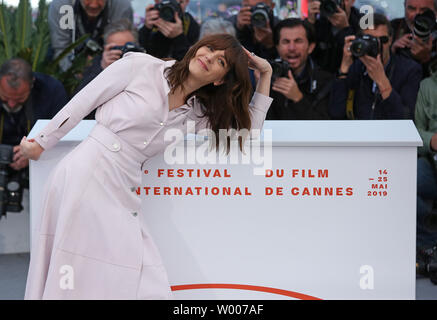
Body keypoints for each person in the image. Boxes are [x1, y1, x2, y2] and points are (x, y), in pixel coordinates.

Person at [20, 34, 273, 299]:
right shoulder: (140, 66)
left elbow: (249, 134)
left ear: (220, 78)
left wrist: (266, 74)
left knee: (144, 278)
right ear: (197, 48)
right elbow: (83, 102)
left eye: (220, 60)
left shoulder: (198, 112)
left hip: (124, 188)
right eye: (209, 48)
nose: (209, 57)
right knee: (73, 269)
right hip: (87, 172)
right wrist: (42, 143)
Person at [329, 13, 422, 120]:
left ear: (391, 40)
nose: (377, 46)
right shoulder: (356, 68)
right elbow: (336, 113)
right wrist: (344, 68)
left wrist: (382, 81)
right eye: (370, 40)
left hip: (391, 135)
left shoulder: (409, 70)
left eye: (382, 40)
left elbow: (406, 120)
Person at [0, 58, 68, 171]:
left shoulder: (51, 91)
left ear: (31, 85)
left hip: (41, 162)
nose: (11, 104)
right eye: (5, 98)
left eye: (19, 98)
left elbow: (63, 132)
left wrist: (37, 150)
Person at [73, 18, 143, 119]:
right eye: (116, 49)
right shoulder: (98, 65)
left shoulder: (146, 64)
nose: (121, 53)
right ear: (105, 48)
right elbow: (79, 105)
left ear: (137, 47)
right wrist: (103, 69)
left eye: (127, 48)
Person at [267, 18, 333, 120]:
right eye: (286, 42)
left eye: (298, 41)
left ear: (310, 47)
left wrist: (298, 98)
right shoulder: (267, 77)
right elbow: (259, 127)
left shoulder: (326, 81)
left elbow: (325, 129)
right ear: (277, 47)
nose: (292, 48)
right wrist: (261, 91)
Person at [48, 0, 133, 71]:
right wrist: (74, 74)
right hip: (72, 65)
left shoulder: (121, 5)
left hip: (109, 66)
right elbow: (61, 49)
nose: (94, 5)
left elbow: (122, 48)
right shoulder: (61, 5)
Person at [414, 72, 437, 256]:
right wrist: (432, 140)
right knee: (407, 178)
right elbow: (416, 133)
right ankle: (428, 246)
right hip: (433, 162)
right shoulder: (428, 85)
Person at [306, 0, 362, 74]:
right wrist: (310, 24)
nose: (336, 5)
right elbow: (306, 53)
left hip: (350, 77)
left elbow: (361, 54)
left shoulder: (363, 22)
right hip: (320, 77)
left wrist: (345, 29)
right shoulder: (318, 20)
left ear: (352, 1)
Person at [391, 0, 437, 78]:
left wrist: (426, 60)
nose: (416, 15)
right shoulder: (392, 28)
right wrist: (391, 52)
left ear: (435, 13)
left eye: (424, 10)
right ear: (404, 7)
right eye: (411, 9)